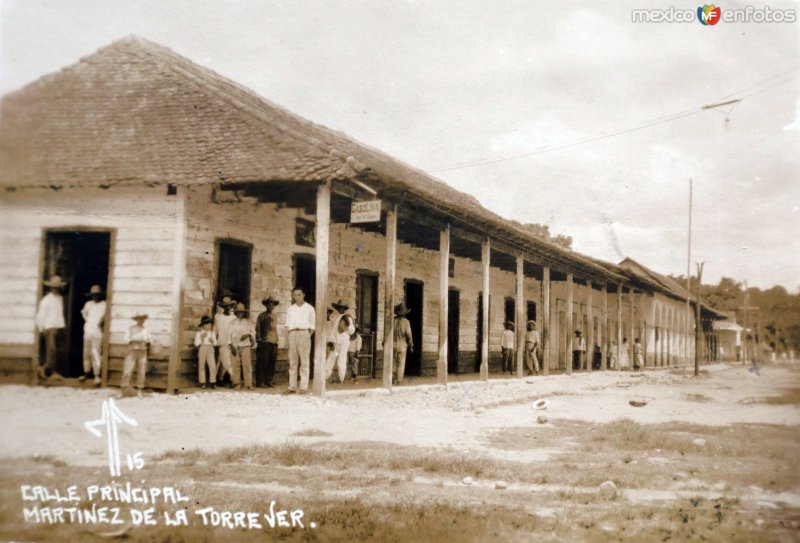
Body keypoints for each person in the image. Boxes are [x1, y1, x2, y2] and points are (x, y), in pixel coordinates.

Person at [35, 275, 67, 380]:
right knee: (51, 351)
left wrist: (62, 327)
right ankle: (47, 371)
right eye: (54, 287)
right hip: (49, 328)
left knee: (59, 351)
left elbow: (60, 314)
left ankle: (50, 371)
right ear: (51, 288)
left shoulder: (60, 299)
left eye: (58, 288)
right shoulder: (46, 300)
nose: (56, 289)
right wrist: (42, 329)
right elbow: (40, 316)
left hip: (59, 327)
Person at [285, 287, 315, 394]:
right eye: (295, 295)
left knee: (304, 361)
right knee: (293, 362)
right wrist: (287, 338)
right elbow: (287, 325)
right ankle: (292, 386)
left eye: (299, 295)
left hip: (304, 333)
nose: (297, 297)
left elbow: (312, 326)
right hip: (292, 333)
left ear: (303, 295)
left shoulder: (310, 308)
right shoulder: (290, 309)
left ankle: (303, 387)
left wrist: (306, 335)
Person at [80, 284, 106, 386]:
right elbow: (84, 313)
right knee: (86, 353)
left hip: (98, 332)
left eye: (97, 295)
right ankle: (86, 373)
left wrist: (102, 321)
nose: (95, 297)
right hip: (88, 331)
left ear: (100, 295)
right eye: (93, 295)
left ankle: (97, 376)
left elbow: (106, 315)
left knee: (96, 353)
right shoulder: (88, 304)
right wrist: (88, 321)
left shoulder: (104, 304)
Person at [326, 299, 355, 384]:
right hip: (336, 343)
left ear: (345, 309)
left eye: (342, 308)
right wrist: (330, 342)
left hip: (343, 343)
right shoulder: (335, 317)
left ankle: (341, 378)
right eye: (339, 308)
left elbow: (352, 331)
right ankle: (326, 376)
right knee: (331, 359)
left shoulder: (348, 317)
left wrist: (349, 324)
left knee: (341, 360)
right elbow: (333, 331)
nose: (340, 309)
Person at [121, 313, 151, 397]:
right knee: (127, 370)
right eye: (139, 319)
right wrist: (134, 339)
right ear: (136, 320)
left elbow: (149, 339)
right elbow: (126, 339)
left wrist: (147, 341)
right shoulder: (131, 328)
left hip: (142, 351)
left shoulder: (146, 329)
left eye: (142, 319)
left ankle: (139, 390)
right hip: (132, 350)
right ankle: (123, 390)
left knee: (141, 371)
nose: (141, 321)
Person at [255, 295, 279, 388]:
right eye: (269, 305)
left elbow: (275, 329)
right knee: (262, 362)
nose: (271, 306)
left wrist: (277, 339)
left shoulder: (275, 316)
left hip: (274, 342)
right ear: (266, 306)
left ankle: (269, 380)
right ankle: (260, 382)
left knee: (272, 363)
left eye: (272, 305)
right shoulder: (261, 316)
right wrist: (259, 339)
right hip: (264, 342)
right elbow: (258, 328)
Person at [230, 303, 255, 389]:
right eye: (238, 312)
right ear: (235, 313)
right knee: (236, 365)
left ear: (244, 313)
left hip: (245, 346)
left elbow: (253, 332)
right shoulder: (232, 322)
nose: (240, 314)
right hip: (235, 346)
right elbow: (228, 335)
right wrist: (231, 346)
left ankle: (248, 384)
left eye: (242, 312)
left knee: (247, 365)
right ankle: (236, 383)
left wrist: (248, 335)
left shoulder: (247, 322)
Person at [213, 295, 237, 384]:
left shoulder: (234, 318)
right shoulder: (218, 317)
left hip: (231, 342)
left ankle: (224, 378)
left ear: (231, 306)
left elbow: (235, 331)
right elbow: (215, 329)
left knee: (227, 361)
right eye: (225, 306)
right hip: (221, 342)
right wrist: (214, 340)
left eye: (229, 306)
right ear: (223, 307)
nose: (228, 308)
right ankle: (231, 378)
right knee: (223, 361)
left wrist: (234, 343)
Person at [393, 303, 414, 385]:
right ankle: (398, 381)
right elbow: (409, 335)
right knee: (401, 363)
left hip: (392, 344)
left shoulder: (392, 320)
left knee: (393, 362)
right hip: (402, 345)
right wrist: (411, 346)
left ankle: (392, 378)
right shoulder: (406, 322)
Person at [194, 315, 217, 389]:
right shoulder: (199, 333)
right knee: (201, 365)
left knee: (212, 365)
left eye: (210, 324)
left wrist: (213, 341)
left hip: (210, 348)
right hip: (202, 348)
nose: (209, 325)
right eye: (207, 324)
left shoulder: (212, 333)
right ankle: (202, 382)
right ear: (203, 325)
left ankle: (212, 382)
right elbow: (196, 343)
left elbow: (216, 343)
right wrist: (201, 338)